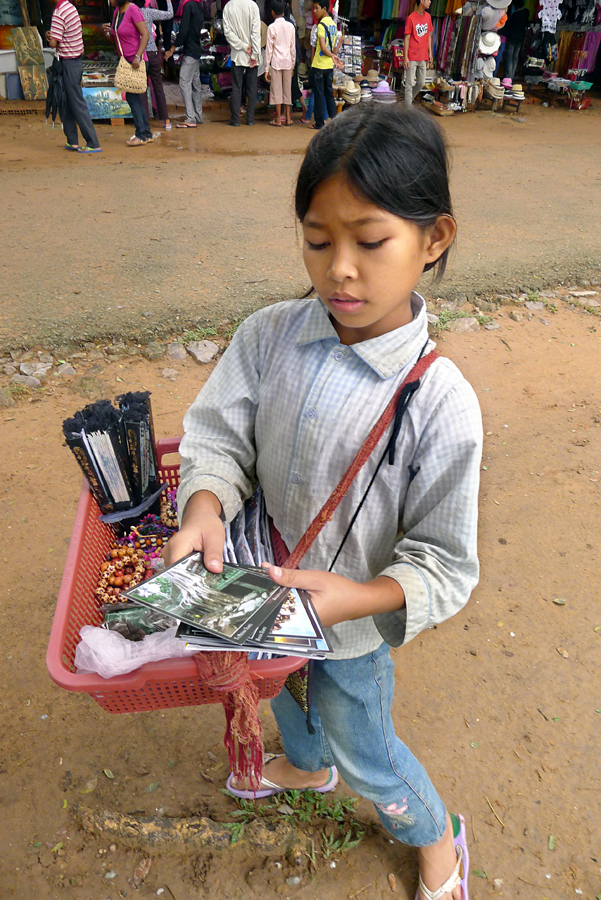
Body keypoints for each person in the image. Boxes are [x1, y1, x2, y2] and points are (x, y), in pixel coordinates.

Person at [165, 104, 481, 900]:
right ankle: (305, 767)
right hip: (262, 593)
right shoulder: (268, 336)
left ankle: (434, 835)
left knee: (362, 739)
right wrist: (204, 504)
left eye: (370, 242)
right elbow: (219, 433)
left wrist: (360, 599)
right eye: (316, 240)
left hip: (351, 631)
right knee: (288, 695)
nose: (339, 268)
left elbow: (444, 563)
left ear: (432, 239)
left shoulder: (439, 404)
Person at [46, 0, 102, 153]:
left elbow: (53, 43)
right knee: (68, 102)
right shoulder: (70, 8)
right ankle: (72, 140)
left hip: (68, 63)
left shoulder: (59, 13)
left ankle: (93, 142)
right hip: (74, 62)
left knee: (76, 103)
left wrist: (48, 36)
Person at [103, 0, 152, 145]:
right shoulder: (117, 12)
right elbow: (115, 37)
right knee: (135, 98)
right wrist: (106, 32)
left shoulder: (133, 10)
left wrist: (138, 56)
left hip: (137, 62)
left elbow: (146, 34)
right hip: (127, 61)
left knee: (133, 98)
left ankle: (141, 135)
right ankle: (146, 133)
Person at [164, 0, 205, 127]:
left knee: (184, 82)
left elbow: (184, 30)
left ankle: (190, 118)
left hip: (190, 51)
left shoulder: (188, 6)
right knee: (195, 84)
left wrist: (172, 49)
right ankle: (198, 116)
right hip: (196, 49)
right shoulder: (199, 6)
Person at [134, 0, 173, 128]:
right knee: (158, 87)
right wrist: (167, 1)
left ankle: (145, 123)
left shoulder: (132, 13)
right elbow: (169, 14)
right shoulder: (149, 12)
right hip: (153, 53)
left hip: (140, 54)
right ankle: (166, 120)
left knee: (142, 89)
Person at [223, 0, 261, 126]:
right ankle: (250, 119)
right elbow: (256, 33)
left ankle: (235, 119)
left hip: (237, 55)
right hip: (252, 55)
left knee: (236, 87)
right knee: (252, 88)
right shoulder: (253, 6)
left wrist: (243, 46)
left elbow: (228, 33)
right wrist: (255, 53)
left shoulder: (228, 6)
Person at [310, 0, 342, 130]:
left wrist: (332, 56)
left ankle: (319, 123)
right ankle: (335, 121)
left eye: (316, 8)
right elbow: (333, 49)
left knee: (319, 94)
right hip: (329, 66)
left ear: (324, 8)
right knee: (329, 93)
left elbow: (323, 48)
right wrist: (334, 55)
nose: (314, 11)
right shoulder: (334, 25)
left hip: (319, 65)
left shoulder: (321, 25)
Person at [265, 0, 296, 126]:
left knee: (276, 90)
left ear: (272, 12)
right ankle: (288, 118)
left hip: (276, 62)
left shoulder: (271, 27)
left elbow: (269, 49)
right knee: (287, 90)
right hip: (288, 61)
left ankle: (278, 118)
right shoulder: (291, 26)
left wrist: (266, 68)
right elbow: (292, 48)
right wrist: (293, 64)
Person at [404, 0, 433, 108]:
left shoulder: (428, 17)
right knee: (409, 83)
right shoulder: (411, 18)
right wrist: (406, 57)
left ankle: (407, 101)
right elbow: (406, 38)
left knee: (421, 83)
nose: (430, 2)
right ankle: (408, 109)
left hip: (423, 56)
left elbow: (429, 36)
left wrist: (430, 53)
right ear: (421, 1)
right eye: (428, 0)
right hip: (412, 56)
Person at [499, 0, 529, 80]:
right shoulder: (526, 13)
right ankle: (511, 77)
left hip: (512, 39)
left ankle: (508, 77)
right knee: (515, 58)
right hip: (520, 39)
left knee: (509, 58)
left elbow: (508, 27)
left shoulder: (515, 15)